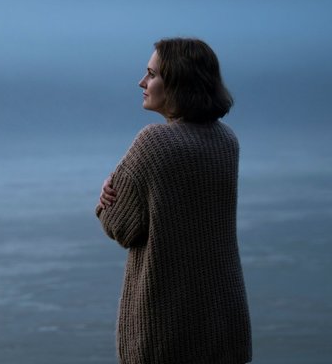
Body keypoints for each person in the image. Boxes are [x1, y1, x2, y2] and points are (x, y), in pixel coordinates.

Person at [96, 37, 251, 364]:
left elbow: (120, 226)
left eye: (152, 74)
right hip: (223, 321)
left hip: (166, 326)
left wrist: (106, 198)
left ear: (178, 82)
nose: (142, 82)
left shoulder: (154, 142)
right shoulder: (227, 141)